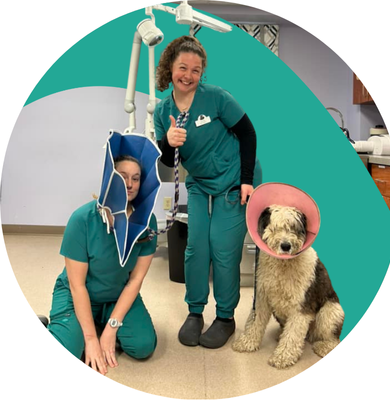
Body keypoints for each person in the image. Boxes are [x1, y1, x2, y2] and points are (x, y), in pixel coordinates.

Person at [154, 36, 262, 349]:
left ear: (202, 73)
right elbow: (166, 160)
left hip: (235, 179)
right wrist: (168, 143)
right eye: (182, 67)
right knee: (196, 246)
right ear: (170, 67)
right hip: (200, 182)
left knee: (223, 248)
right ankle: (195, 311)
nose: (188, 75)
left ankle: (226, 317)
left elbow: (247, 133)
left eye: (196, 70)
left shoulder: (215, 97)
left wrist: (246, 179)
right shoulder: (163, 111)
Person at [47, 155, 158, 375]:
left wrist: (111, 328)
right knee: (66, 352)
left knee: (143, 345)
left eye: (135, 178)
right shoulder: (82, 219)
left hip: (116, 295)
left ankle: (100, 321)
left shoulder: (147, 222)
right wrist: (90, 339)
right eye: (123, 177)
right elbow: (77, 285)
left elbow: (136, 279)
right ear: (110, 178)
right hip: (77, 294)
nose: (130, 184)